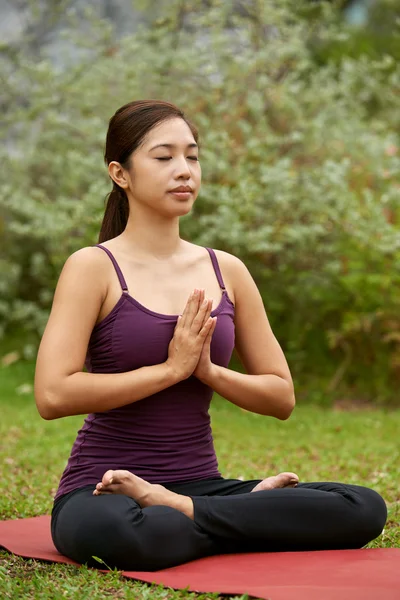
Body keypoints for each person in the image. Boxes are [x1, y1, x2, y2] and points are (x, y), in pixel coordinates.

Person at [34, 100, 387, 571]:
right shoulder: (93, 267)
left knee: (362, 507)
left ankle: (191, 510)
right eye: (164, 158)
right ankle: (242, 518)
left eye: (192, 156)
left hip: (200, 484)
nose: (184, 170)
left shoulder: (227, 271)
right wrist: (169, 371)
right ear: (120, 174)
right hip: (104, 489)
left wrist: (208, 372)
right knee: (130, 532)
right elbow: (52, 394)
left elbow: (280, 397)